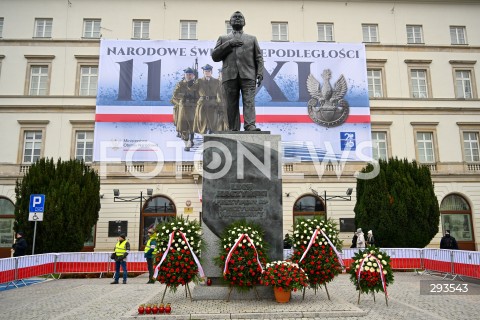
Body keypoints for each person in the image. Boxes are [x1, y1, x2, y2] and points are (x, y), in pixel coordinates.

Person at [211, 11, 264, 132]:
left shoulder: (252, 39)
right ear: (230, 22)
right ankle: (233, 127)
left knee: (249, 101)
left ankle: (250, 125)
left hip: (248, 75)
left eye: (240, 17)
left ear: (244, 22)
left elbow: (259, 58)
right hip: (229, 76)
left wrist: (260, 72)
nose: (238, 18)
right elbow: (215, 56)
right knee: (231, 103)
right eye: (235, 17)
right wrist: (229, 44)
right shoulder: (223, 38)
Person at [171, 67, 199, 151]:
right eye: (187, 74)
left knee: (192, 127)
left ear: (193, 76)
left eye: (190, 74)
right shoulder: (180, 84)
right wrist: (185, 95)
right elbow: (175, 94)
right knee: (183, 127)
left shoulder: (197, 85)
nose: (189, 76)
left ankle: (191, 139)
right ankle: (187, 143)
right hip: (183, 108)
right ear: (184, 75)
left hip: (193, 108)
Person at [193, 64, 222, 134]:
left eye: (208, 71)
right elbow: (194, 92)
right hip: (202, 103)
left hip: (213, 103)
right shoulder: (199, 81)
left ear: (211, 72)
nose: (207, 72)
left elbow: (219, 94)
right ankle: (204, 136)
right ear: (203, 72)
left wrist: (219, 104)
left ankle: (210, 136)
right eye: (205, 71)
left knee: (212, 122)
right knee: (202, 121)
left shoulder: (216, 81)